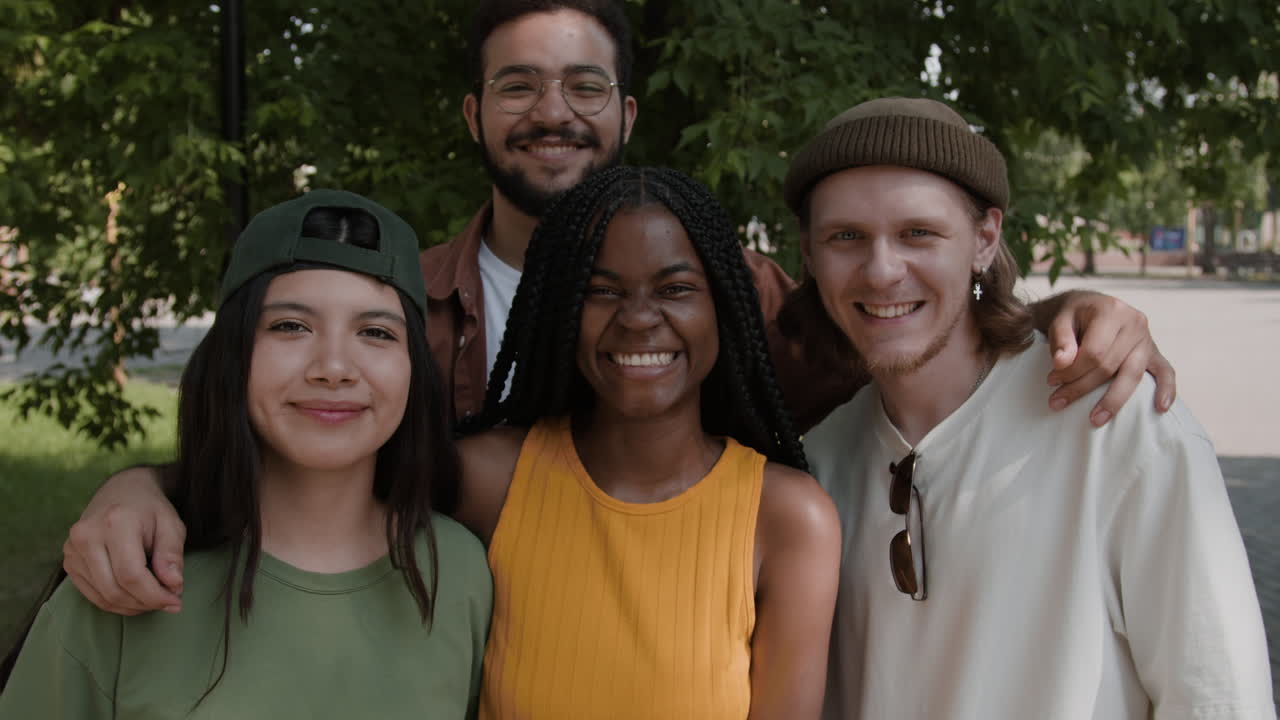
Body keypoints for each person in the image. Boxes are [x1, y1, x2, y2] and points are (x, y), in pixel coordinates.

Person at [60, 0, 1174, 618]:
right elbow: (321, 461)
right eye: (518, 85)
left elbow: (905, 337)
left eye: (584, 84)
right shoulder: (397, 303)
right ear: (472, 112)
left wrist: (1058, 314)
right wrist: (139, 483)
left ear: (627, 112)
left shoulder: (744, 297)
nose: (554, 112)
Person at [778, 97, 1275, 719]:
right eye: (846, 236)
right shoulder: (817, 466)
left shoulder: (1116, 424)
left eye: (918, 233)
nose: (881, 270)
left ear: (985, 239)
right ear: (809, 253)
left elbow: (1219, 697)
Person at [0, 191, 492, 718]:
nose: (333, 366)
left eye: (375, 332)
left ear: (413, 369)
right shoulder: (124, 575)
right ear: (232, 353)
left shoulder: (459, 571)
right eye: (290, 326)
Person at [454, 165, 839, 718]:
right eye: (602, 291)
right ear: (563, 310)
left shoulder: (788, 518)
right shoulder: (486, 480)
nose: (637, 318)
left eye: (675, 289)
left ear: (723, 310)